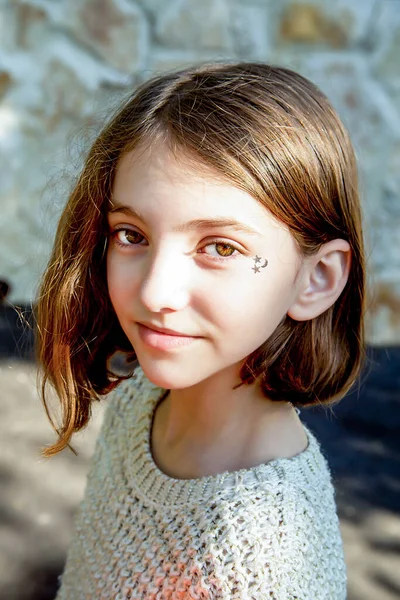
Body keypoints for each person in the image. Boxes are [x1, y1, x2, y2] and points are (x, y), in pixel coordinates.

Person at [36, 62, 366, 599]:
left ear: (316, 279)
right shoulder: (138, 404)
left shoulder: (264, 563)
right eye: (131, 234)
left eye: (220, 247)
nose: (154, 293)